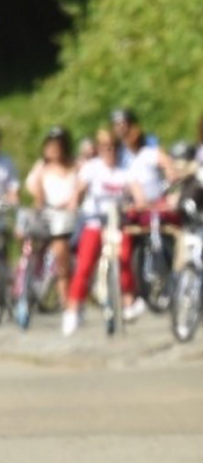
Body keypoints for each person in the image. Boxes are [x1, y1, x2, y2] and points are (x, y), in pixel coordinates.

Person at [62, 130, 146, 336]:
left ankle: (127, 301)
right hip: (95, 220)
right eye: (105, 147)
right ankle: (73, 310)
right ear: (99, 149)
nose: (110, 152)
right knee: (85, 264)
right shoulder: (92, 168)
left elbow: (138, 193)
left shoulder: (126, 169)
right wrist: (74, 202)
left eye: (114, 147)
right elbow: (79, 190)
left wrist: (140, 204)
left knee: (124, 258)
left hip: (117, 222)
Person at [25, 126, 79, 305]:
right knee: (59, 245)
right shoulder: (42, 167)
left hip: (74, 215)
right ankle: (64, 296)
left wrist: (73, 200)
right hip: (52, 216)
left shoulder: (75, 165)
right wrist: (40, 200)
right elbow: (33, 188)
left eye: (58, 145)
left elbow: (82, 186)